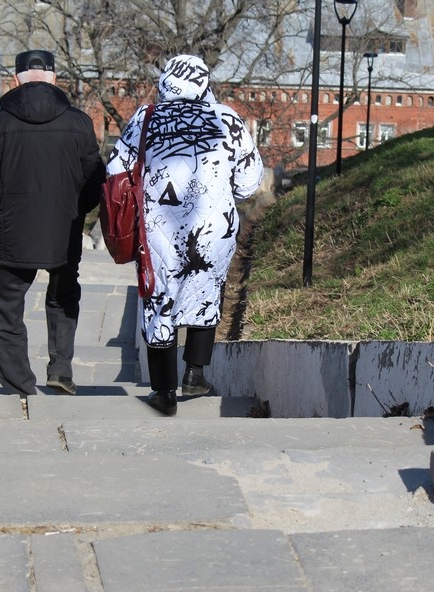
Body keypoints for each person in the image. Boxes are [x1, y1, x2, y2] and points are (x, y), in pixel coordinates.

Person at [106, 54, 264, 416]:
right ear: (204, 84)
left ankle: (164, 393)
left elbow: (116, 170)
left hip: (158, 228)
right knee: (206, 289)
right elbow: (250, 182)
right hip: (214, 226)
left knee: (159, 300)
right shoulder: (226, 118)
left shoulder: (145, 118)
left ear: (166, 82)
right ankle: (195, 373)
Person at [0, 49, 105, 397]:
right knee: (63, 298)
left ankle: (19, 383)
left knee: (7, 308)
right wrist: (75, 211)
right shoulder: (78, 123)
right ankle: (60, 370)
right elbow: (95, 181)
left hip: (12, 231)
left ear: (16, 79)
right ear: (54, 77)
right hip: (64, 229)